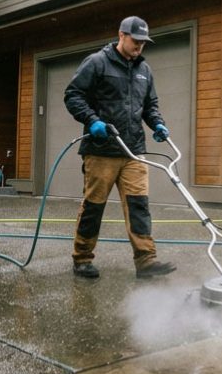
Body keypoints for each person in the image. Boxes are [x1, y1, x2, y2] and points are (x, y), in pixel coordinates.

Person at [63, 15, 177, 279]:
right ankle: (82, 258)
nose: (139, 46)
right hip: (101, 149)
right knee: (94, 206)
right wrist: (92, 120)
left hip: (134, 150)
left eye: (143, 42)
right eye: (135, 40)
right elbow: (73, 95)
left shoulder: (144, 70)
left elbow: (150, 106)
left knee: (139, 205)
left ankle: (146, 260)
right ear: (121, 35)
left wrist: (158, 123)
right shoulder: (97, 62)